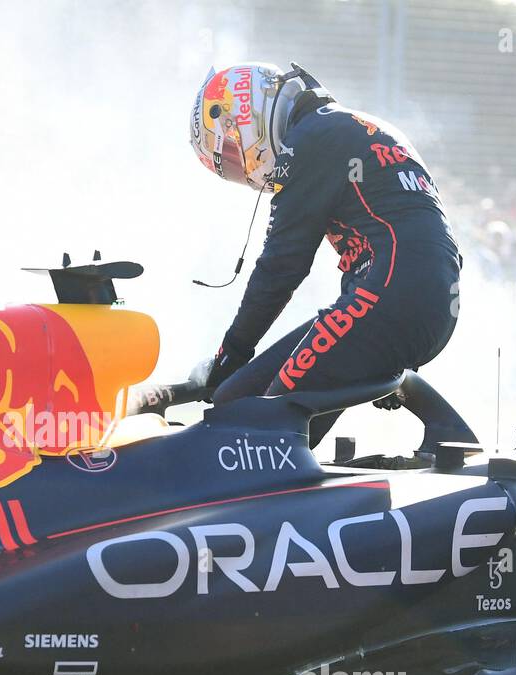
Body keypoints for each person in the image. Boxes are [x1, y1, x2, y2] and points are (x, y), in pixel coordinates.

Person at [189, 62, 461, 444]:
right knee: (234, 397)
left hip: (390, 301)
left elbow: (281, 267)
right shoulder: (352, 127)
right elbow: (423, 243)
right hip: (423, 303)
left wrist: (229, 355)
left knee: (254, 425)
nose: (245, 172)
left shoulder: (311, 139)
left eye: (234, 156)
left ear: (244, 120)